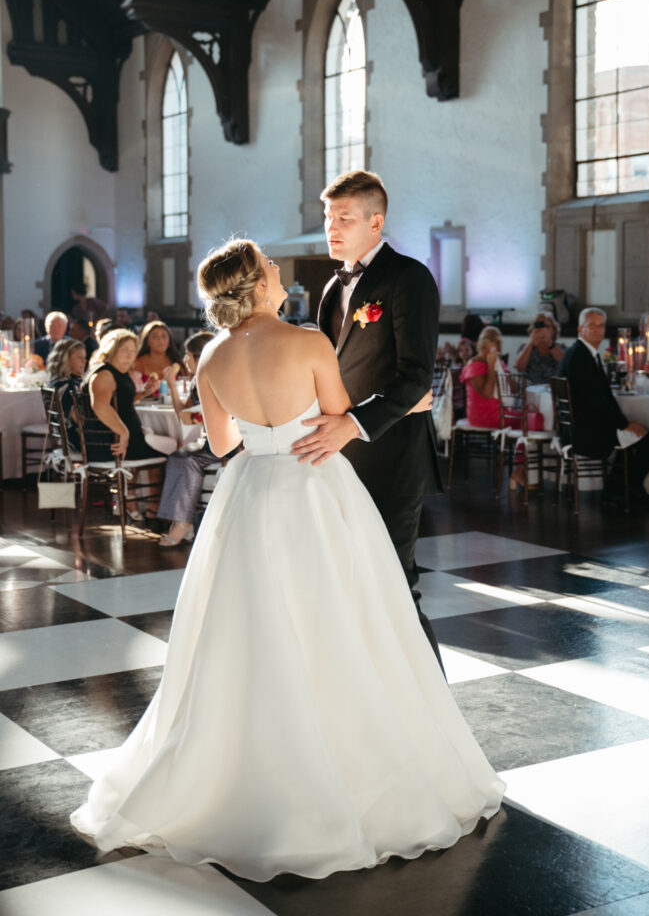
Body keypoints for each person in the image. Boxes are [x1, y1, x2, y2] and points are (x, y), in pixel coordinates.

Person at [70, 237, 504, 879]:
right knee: (340, 617)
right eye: (270, 268)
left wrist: (262, 431)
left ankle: (243, 769)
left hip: (249, 494)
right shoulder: (308, 343)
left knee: (251, 630)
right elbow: (334, 419)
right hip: (314, 486)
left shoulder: (212, 356)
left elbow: (221, 444)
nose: (279, 273)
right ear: (255, 284)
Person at [293, 170, 442, 668]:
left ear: (376, 222)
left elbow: (416, 377)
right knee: (346, 586)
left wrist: (354, 423)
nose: (331, 228)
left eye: (344, 218)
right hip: (338, 458)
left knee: (395, 586)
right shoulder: (331, 288)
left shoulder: (409, 278)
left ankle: (433, 713)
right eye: (328, 217)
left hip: (393, 457)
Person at [558, 307, 649, 504]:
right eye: (593, 326)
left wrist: (624, 423)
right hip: (585, 432)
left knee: (639, 438)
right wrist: (624, 424)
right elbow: (595, 401)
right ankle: (625, 488)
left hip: (584, 426)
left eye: (602, 326)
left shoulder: (585, 353)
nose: (599, 330)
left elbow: (603, 398)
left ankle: (618, 488)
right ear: (581, 329)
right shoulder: (580, 358)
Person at [155, 332, 239, 547]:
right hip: (208, 442)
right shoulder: (196, 381)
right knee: (176, 457)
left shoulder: (221, 379)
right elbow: (184, 416)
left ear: (199, 356)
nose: (184, 360)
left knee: (190, 461)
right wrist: (172, 386)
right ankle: (182, 520)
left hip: (229, 444)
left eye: (188, 355)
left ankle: (182, 523)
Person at [82, 329, 172, 463]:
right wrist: (124, 433)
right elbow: (100, 406)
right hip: (112, 443)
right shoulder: (104, 374)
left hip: (125, 439)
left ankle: (131, 483)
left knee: (170, 448)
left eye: (133, 351)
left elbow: (120, 400)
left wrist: (144, 393)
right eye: (125, 350)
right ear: (112, 350)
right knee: (173, 453)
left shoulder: (118, 372)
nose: (130, 356)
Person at [460, 326, 507, 428]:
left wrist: (501, 369)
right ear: (482, 347)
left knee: (531, 417)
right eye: (487, 348)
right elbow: (487, 394)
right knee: (528, 421)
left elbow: (514, 389)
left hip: (501, 410)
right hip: (483, 416)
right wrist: (491, 367)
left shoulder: (498, 362)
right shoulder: (474, 366)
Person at [46, 338, 87, 449]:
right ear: (66, 359)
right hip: (78, 443)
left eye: (85, 358)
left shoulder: (55, 381)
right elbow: (80, 421)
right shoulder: (67, 386)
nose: (84, 362)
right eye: (79, 358)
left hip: (64, 441)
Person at [514, 312, 565, 385]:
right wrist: (530, 344)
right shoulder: (524, 347)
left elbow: (566, 364)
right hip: (530, 390)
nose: (543, 330)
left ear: (554, 330)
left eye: (547, 327)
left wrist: (550, 343)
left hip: (554, 391)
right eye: (539, 326)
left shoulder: (561, 347)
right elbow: (519, 368)